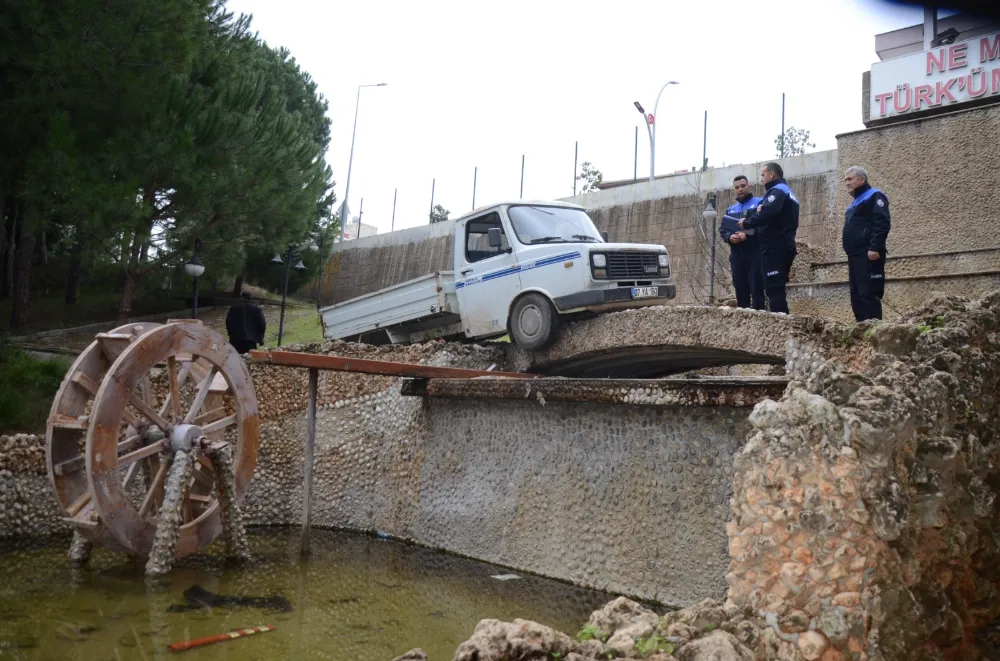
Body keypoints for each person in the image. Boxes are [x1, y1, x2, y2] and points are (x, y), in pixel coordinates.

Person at [738, 162, 799, 314]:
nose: (761, 180)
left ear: (772, 175)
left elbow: (767, 214)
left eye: (763, 175)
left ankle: (780, 324)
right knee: (775, 288)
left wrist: (746, 222)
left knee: (774, 288)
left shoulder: (777, 191)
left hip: (775, 247)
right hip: (782, 245)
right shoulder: (786, 191)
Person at [842, 165, 890, 321]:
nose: (846, 183)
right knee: (856, 296)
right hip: (854, 256)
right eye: (845, 180)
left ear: (861, 179)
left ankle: (874, 333)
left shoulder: (874, 195)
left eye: (850, 179)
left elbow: (881, 222)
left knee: (868, 293)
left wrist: (875, 247)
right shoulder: (853, 204)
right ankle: (861, 333)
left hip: (869, 254)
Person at [719, 175, 764, 310]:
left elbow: (764, 226)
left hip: (755, 253)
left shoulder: (759, 203)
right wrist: (729, 237)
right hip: (736, 254)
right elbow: (722, 229)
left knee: (756, 287)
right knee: (740, 287)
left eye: (743, 186)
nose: (740, 189)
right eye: (737, 187)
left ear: (749, 186)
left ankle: (759, 318)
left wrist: (747, 235)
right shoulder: (731, 210)